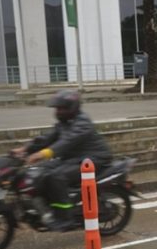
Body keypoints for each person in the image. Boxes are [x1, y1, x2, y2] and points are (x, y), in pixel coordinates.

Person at [12, 90, 113, 230]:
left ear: (71, 107)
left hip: (93, 159)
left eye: (61, 108)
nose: (58, 111)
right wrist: (25, 149)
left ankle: (65, 217)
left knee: (57, 177)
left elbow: (67, 142)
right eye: (57, 108)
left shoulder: (82, 122)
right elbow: (46, 138)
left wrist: (43, 154)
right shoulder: (64, 123)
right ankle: (46, 208)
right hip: (73, 158)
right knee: (40, 171)